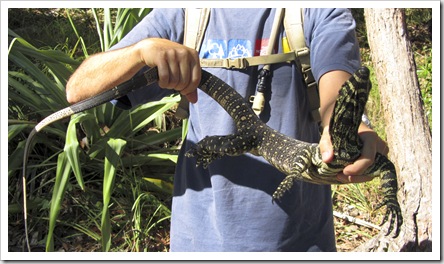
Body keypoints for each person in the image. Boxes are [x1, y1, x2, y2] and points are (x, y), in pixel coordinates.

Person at [66, 8, 389, 252]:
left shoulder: (319, 11)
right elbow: (78, 92)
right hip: (198, 237)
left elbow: (337, 90)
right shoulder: (183, 13)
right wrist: (139, 52)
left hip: (298, 240)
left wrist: (351, 129)